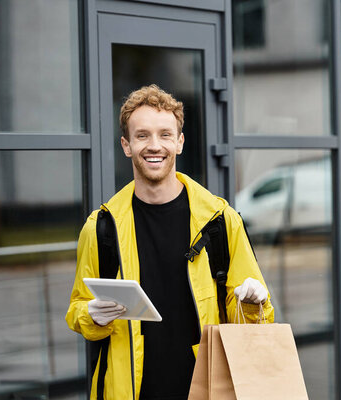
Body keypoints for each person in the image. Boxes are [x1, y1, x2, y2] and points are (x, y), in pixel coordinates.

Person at [66, 84, 274, 399]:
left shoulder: (220, 221)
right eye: (142, 135)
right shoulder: (101, 228)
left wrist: (254, 301)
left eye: (165, 135)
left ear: (179, 142)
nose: (154, 146)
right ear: (126, 145)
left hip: (206, 389)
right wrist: (91, 314)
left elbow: (253, 319)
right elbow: (77, 309)